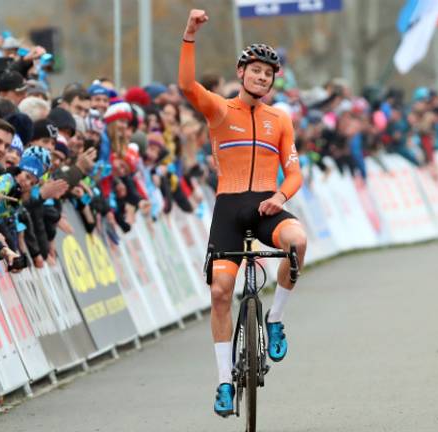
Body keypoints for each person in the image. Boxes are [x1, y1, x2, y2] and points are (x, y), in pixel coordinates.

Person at [178, 8, 308, 418]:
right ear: (241, 73)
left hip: (269, 205)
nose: (262, 78)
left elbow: (296, 173)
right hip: (229, 207)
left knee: (299, 242)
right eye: (255, 70)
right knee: (220, 293)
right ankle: (222, 382)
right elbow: (185, 85)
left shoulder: (279, 119)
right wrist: (190, 34)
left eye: (268, 74)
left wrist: (280, 199)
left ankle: (274, 320)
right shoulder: (219, 110)